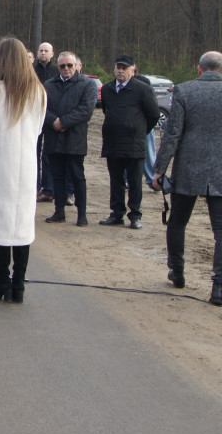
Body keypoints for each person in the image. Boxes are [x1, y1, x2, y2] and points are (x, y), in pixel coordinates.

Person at [0, 37, 47, 303]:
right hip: (26, 164)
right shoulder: (38, 90)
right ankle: (19, 285)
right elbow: (37, 130)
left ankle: (2, 281)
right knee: (21, 224)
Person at [152, 51, 222, 305]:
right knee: (220, 232)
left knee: (178, 222)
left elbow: (172, 135)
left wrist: (159, 169)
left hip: (188, 169)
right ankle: (218, 287)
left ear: (199, 69)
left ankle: (177, 271)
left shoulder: (183, 91)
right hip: (221, 172)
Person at [99, 54, 158, 230]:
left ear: (133, 69)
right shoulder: (108, 89)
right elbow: (106, 110)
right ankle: (117, 213)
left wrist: (139, 130)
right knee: (116, 180)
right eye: (118, 67)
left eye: (124, 68)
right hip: (113, 142)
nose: (121, 71)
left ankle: (135, 215)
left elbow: (153, 114)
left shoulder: (142, 89)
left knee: (134, 181)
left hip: (134, 144)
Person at [42, 50, 97, 226]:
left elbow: (86, 110)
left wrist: (63, 122)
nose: (66, 68)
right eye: (63, 66)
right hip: (54, 137)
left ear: (77, 66)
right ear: (58, 67)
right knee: (57, 176)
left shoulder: (87, 84)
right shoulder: (49, 85)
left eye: (69, 65)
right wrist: (54, 122)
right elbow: (42, 108)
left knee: (77, 177)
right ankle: (59, 211)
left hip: (75, 138)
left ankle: (82, 214)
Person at [33, 42, 56, 202]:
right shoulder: (32, 70)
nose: (43, 53)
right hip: (34, 114)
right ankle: (35, 186)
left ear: (52, 54)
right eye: (40, 50)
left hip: (51, 114)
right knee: (34, 152)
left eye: (46, 51)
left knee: (48, 154)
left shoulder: (56, 70)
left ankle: (49, 188)